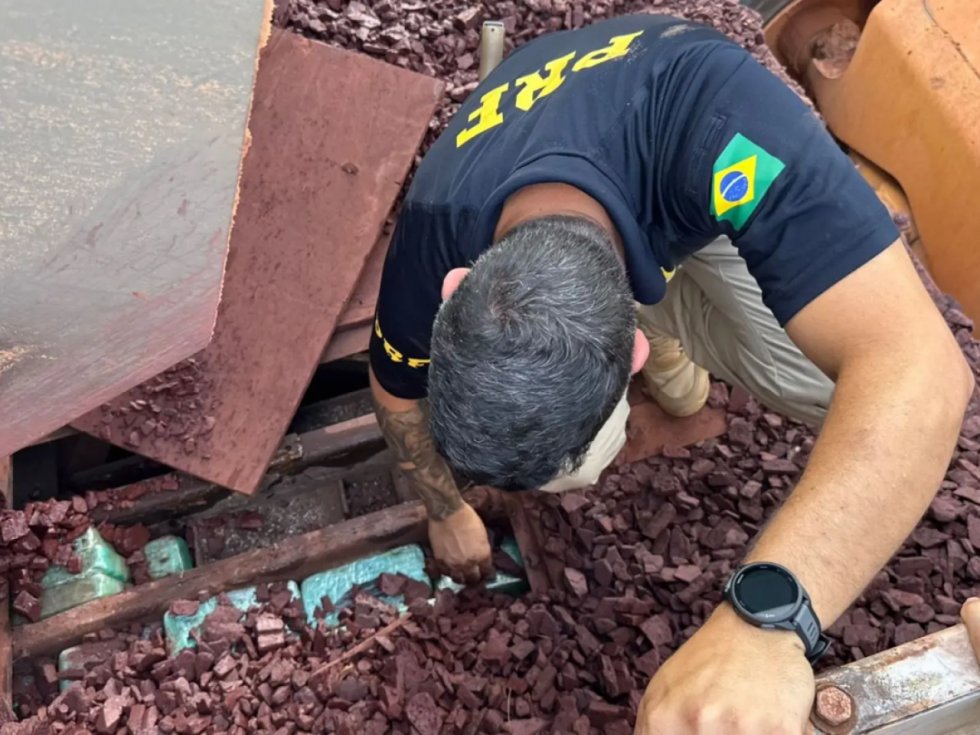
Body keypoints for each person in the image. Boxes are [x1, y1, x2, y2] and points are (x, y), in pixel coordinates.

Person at [368, 12, 974, 735]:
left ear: (632, 357)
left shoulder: (725, 121)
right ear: (453, 287)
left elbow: (922, 368)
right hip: (565, 157)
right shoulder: (432, 230)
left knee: (833, 387)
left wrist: (766, 618)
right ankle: (657, 307)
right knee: (683, 400)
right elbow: (396, 391)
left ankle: (662, 304)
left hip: (683, 185)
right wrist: (447, 510)